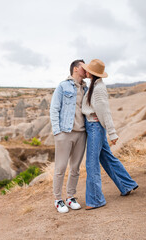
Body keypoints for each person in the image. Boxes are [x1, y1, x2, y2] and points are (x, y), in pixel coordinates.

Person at [81, 59, 138, 210]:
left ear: (91, 73)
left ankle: (95, 200)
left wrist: (112, 133)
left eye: (87, 69)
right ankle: (126, 185)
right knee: (107, 158)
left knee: (91, 164)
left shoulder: (98, 89)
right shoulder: (94, 85)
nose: (85, 71)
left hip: (95, 127)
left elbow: (105, 112)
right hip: (93, 126)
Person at [50, 59, 88, 213]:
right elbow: (54, 109)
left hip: (81, 133)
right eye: (84, 68)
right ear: (76, 69)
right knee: (60, 168)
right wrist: (57, 132)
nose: (87, 70)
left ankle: (70, 197)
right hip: (65, 133)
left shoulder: (86, 89)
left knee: (75, 168)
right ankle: (58, 199)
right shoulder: (63, 86)